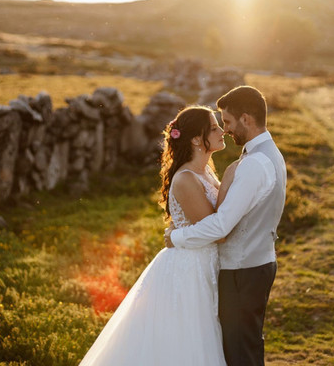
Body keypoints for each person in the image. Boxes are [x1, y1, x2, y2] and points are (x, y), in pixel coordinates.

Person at [78, 105, 232, 366]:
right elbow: (215, 230)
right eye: (215, 127)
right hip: (190, 270)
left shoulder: (204, 171)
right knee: (187, 340)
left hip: (205, 263)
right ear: (196, 139)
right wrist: (233, 178)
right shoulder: (185, 179)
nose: (222, 131)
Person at [165, 85, 287, 366]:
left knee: (241, 352)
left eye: (228, 123)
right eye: (219, 125)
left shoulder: (254, 163)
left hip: (242, 271)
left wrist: (176, 237)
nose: (226, 130)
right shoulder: (267, 154)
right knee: (242, 346)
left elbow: (220, 227)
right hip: (250, 265)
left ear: (246, 119)